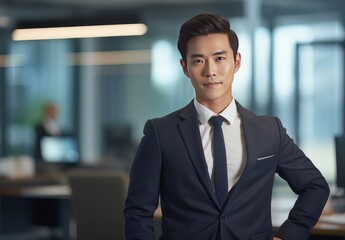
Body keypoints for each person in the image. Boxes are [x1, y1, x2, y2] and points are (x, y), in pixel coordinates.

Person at [124, 13, 330, 240]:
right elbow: (138, 211)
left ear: (237, 61)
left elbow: (315, 186)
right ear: (185, 67)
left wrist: (289, 235)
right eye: (198, 60)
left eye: (220, 58)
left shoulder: (269, 131)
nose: (210, 71)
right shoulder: (160, 133)